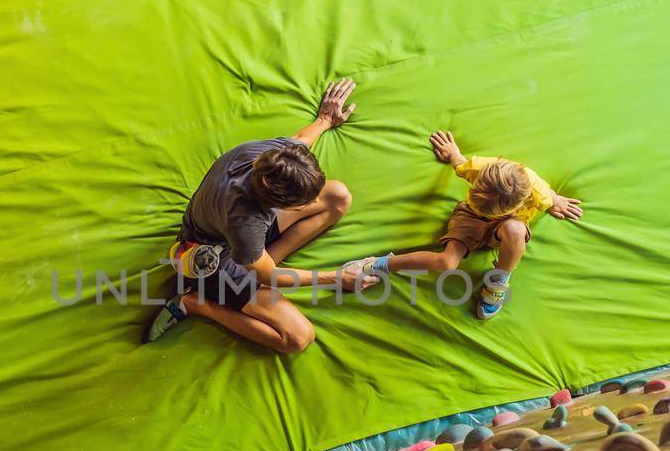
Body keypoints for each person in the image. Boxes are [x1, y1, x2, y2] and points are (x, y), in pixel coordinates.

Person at [142, 79, 374, 352]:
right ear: (279, 203)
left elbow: (300, 142)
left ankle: (258, 264)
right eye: (304, 202)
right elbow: (272, 278)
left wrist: (325, 119)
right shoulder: (245, 222)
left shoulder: (268, 157)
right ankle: (195, 303)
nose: (311, 202)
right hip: (214, 257)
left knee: (337, 196)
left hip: (236, 235)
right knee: (298, 338)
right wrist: (337, 277)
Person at [345, 129, 582, 319]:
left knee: (515, 229)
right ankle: (381, 263)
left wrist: (557, 201)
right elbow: (459, 163)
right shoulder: (481, 169)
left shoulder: (538, 192)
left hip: (508, 226)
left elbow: (550, 196)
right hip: (470, 218)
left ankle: (500, 279)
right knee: (446, 262)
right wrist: (452, 153)